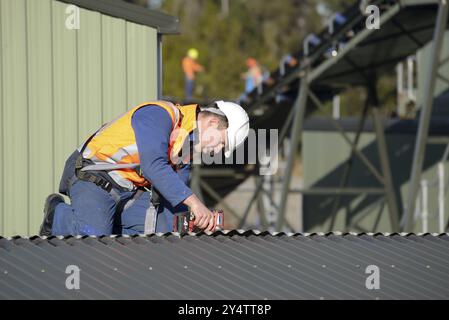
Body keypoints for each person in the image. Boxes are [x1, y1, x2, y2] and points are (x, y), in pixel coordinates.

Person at [39, 100, 250, 236]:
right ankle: (57, 214)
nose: (217, 150)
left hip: (126, 192)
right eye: (221, 143)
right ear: (212, 122)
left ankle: (103, 219)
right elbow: (153, 166)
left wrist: (196, 221)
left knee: (166, 229)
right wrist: (195, 204)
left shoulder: (186, 149)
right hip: (93, 176)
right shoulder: (159, 114)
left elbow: (173, 198)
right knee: (94, 239)